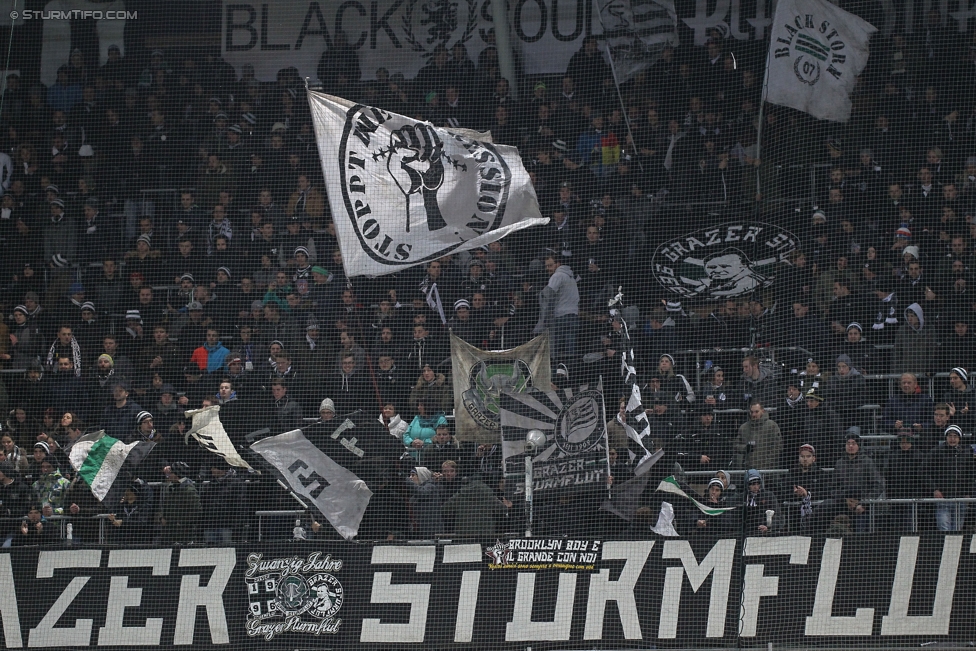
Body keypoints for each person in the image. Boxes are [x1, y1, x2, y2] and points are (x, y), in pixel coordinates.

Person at [926, 425, 975, 531]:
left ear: (959, 438)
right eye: (950, 436)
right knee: (944, 528)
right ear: (946, 437)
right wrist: (935, 489)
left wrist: (968, 493)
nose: (952, 439)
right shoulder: (937, 452)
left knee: (957, 530)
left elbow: (970, 474)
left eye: (955, 436)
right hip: (943, 498)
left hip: (960, 498)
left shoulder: (965, 453)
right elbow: (924, 471)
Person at [533, 255, 579, 362]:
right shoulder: (570, 277)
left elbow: (548, 295)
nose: (548, 268)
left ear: (558, 264)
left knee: (556, 351)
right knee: (570, 351)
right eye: (547, 266)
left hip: (560, 317)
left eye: (550, 265)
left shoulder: (557, 276)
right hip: (573, 316)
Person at [158, 462, 200, 544]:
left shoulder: (188, 489)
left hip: (184, 532)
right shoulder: (171, 487)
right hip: (170, 530)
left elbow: (196, 510)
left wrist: (180, 522)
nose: (168, 476)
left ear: (176, 474)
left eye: (171, 473)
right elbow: (166, 506)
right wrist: (163, 517)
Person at [734, 401, 782, 470]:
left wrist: (769, 461)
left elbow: (778, 446)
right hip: (748, 469)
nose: (753, 415)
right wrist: (745, 448)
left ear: (763, 411)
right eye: (751, 412)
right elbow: (736, 446)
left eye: (756, 412)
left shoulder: (772, 426)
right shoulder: (743, 428)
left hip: (768, 469)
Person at [743, 469, 783, 534]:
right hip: (747, 532)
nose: (756, 487)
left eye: (758, 483)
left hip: (766, 533)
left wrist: (769, 527)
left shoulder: (769, 496)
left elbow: (778, 516)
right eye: (752, 484)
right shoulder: (742, 497)